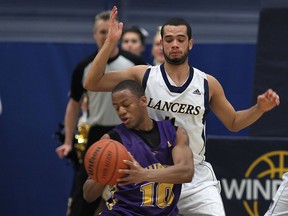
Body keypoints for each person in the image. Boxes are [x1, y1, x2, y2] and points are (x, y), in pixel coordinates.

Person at [83, 6, 280, 216]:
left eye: (180, 39)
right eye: (168, 40)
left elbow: (233, 123)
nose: (174, 44)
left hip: (193, 172)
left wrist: (259, 108)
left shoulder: (207, 83)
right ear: (161, 44)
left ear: (190, 43)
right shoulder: (145, 75)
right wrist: (110, 43)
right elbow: (92, 82)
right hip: (152, 173)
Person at [55, 9, 146, 216]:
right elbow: (73, 105)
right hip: (97, 136)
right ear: (94, 34)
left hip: (130, 134)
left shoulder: (134, 64)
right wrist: (69, 141)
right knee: (83, 200)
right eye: (102, 32)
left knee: (132, 197)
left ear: (118, 33)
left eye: (110, 31)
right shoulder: (84, 67)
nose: (106, 36)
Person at [83, 80, 194, 215]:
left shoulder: (174, 133)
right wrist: (103, 174)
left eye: (126, 105)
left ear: (143, 101)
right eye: (116, 107)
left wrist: (143, 175)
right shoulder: (111, 141)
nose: (121, 111)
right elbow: (88, 195)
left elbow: (186, 173)